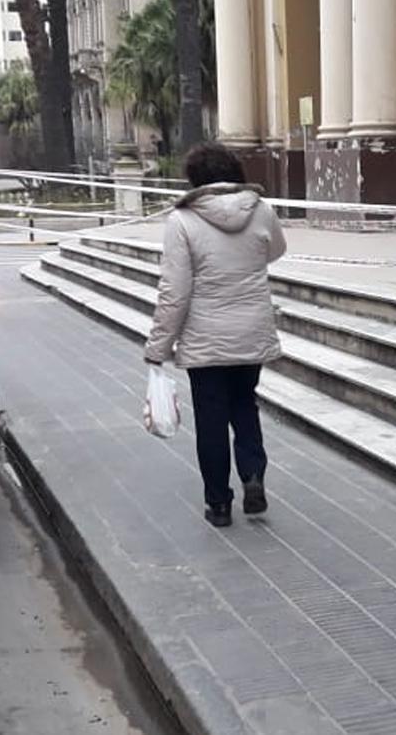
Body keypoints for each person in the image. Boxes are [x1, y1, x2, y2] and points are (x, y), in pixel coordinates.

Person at [145, 143, 287, 527]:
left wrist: (158, 346)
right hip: (250, 332)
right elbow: (275, 250)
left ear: (195, 178)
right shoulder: (262, 210)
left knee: (211, 419)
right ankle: (253, 475)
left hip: (205, 338)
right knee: (245, 406)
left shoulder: (182, 221)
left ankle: (219, 504)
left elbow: (174, 291)